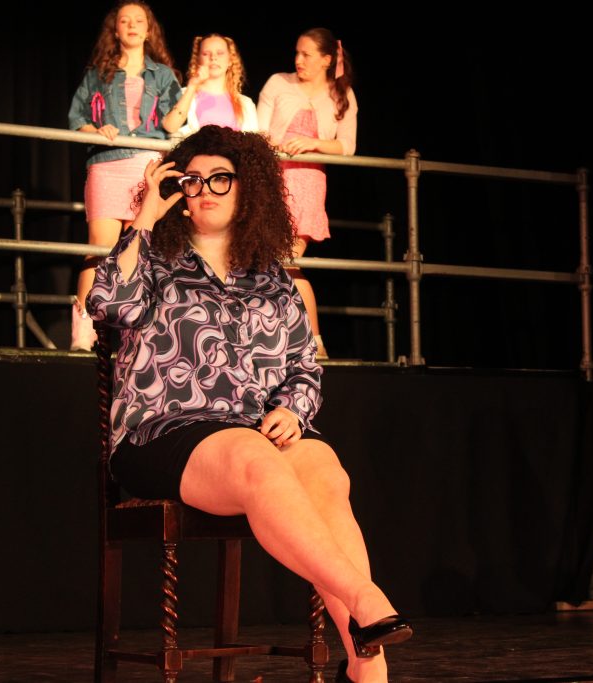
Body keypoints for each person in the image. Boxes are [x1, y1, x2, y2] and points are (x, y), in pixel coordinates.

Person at [87, 126, 410, 683]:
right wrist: (143, 218)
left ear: (248, 188)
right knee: (254, 457)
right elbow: (107, 303)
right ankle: (365, 597)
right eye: (192, 180)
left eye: (221, 178)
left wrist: (292, 410)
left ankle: (366, 668)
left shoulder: (274, 280)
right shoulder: (154, 259)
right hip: (161, 435)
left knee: (324, 469)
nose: (204, 189)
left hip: (255, 431)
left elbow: (304, 367)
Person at [67, 1, 181, 351]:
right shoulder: (97, 73)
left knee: (139, 249)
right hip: (106, 163)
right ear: (115, 30)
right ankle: (84, 332)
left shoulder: (163, 75)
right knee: (99, 249)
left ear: (148, 30)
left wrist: (194, 89)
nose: (131, 25)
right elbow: (76, 118)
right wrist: (96, 129)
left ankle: (136, 334)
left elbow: (173, 124)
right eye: (124, 20)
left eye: (138, 20)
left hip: (145, 163)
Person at [257, 28, 357, 360]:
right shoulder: (278, 83)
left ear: (327, 60)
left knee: (286, 261)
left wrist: (313, 143)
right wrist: (277, 145)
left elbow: (347, 146)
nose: (298, 60)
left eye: (306, 55)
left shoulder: (341, 94)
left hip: (307, 183)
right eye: (296, 53)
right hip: (272, 179)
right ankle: (294, 341)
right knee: (271, 263)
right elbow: (258, 131)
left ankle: (312, 340)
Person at [162, 34, 259, 135]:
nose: (213, 58)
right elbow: (170, 127)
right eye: (206, 54)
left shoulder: (246, 104)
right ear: (198, 60)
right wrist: (192, 86)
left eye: (220, 53)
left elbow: (255, 143)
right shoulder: (184, 95)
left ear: (230, 60)